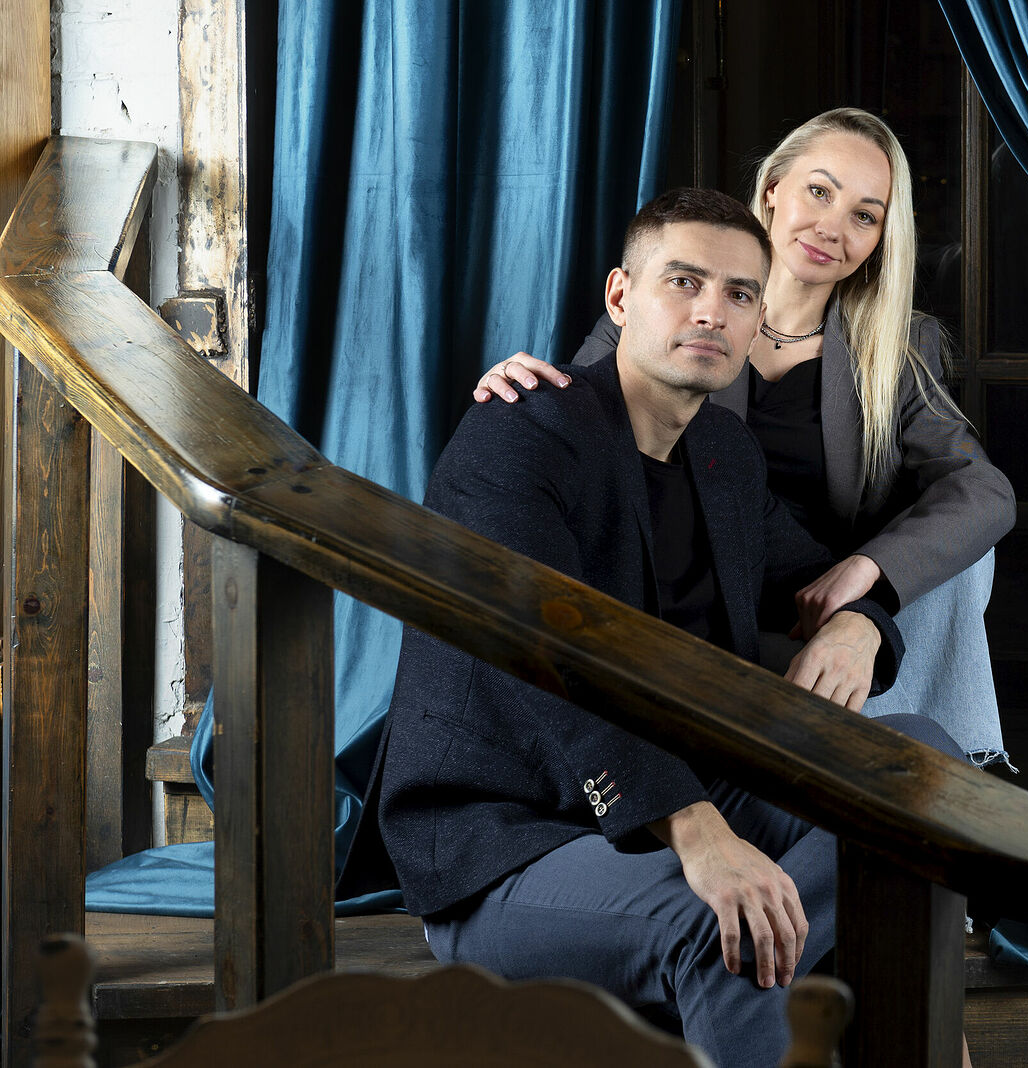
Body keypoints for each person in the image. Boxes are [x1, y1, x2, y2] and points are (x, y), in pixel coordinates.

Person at [339, 188, 965, 1067]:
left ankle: (834, 950)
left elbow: (811, 577)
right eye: (684, 281)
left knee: (927, 770)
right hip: (512, 838)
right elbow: (549, 661)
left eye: (741, 294)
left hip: (702, 787)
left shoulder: (724, 454)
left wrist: (858, 624)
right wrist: (701, 837)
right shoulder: (520, 433)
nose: (713, 311)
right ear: (621, 296)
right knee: (727, 931)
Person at [475, 108, 1017, 767]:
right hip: (684, 584)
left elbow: (981, 488)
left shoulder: (899, 345)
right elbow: (587, 406)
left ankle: (931, 767)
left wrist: (868, 577)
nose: (832, 228)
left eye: (864, 215)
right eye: (819, 191)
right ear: (772, 190)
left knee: (967, 555)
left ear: (881, 238)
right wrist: (525, 391)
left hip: (811, 595)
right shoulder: (677, 305)